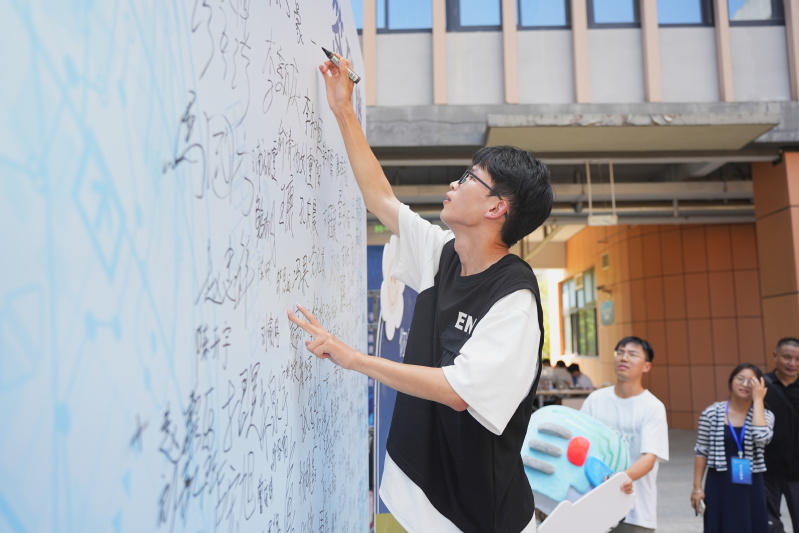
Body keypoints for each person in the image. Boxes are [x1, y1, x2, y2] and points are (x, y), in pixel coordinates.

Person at [287, 52, 553, 532]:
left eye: (469, 178)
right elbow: (380, 198)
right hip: (415, 497)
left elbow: (457, 392)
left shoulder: (515, 299)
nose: (455, 182)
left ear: (496, 207)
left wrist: (353, 359)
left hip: (475, 519)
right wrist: (343, 108)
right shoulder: (443, 254)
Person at [581, 336, 669, 533]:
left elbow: (649, 458)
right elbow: (581, 443)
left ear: (646, 366)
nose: (624, 358)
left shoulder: (653, 407)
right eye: (620, 352)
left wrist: (618, 479)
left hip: (635, 511)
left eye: (632, 354)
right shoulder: (595, 400)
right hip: (592, 506)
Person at [691, 363, 774, 533]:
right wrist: (697, 488)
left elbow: (761, 438)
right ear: (731, 382)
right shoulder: (711, 413)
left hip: (752, 484)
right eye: (740, 379)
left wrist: (758, 400)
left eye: (751, 381)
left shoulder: (765, 415)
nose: (744, 384)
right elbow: (701, 451)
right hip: (719, 483)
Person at [763, 337, 799, 533]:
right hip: (768, 471)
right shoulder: (761, 386)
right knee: (769, 526)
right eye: (787, 357)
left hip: (797, 472)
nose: (792, 363)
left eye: (797, 359)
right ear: (775, 356)